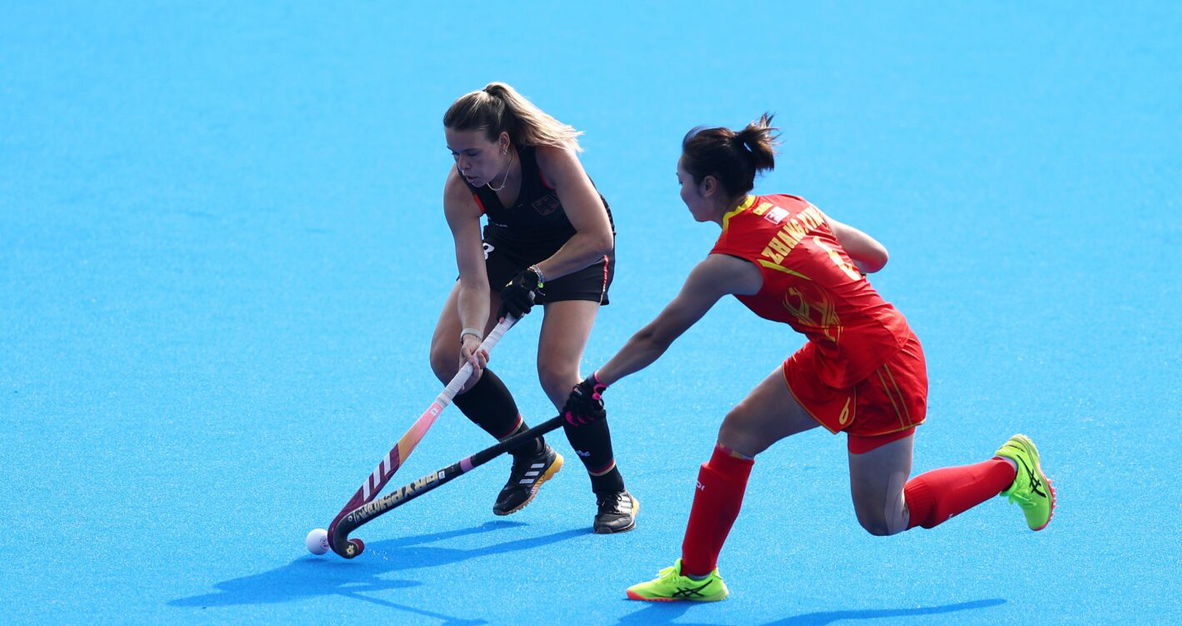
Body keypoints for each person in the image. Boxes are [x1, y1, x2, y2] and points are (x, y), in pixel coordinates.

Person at [563, 115, 1054, 599]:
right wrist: (823, 281)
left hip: (883, 365)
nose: (680, 193)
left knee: (886, 519)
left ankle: (1011, 470)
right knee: (739, 432)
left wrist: (595, 384)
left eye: (683, 183)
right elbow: (875, 256)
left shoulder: (725, 264)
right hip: (835, 351)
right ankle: (696, 576)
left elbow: (655, 337)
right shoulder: (791, 205)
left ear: (709, 186)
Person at [431, 82, 637, 533]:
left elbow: (597, 238)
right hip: (510, 250)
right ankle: (530, 451)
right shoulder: (461, 190)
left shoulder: (550, 157)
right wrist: (470, 335)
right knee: (449, 358)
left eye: (472, 153)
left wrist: (539, 274)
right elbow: (473, 278)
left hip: (577, 251)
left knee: (559, 375)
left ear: (503, 142)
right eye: (454, 155)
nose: (463, 165)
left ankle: (612, 490)